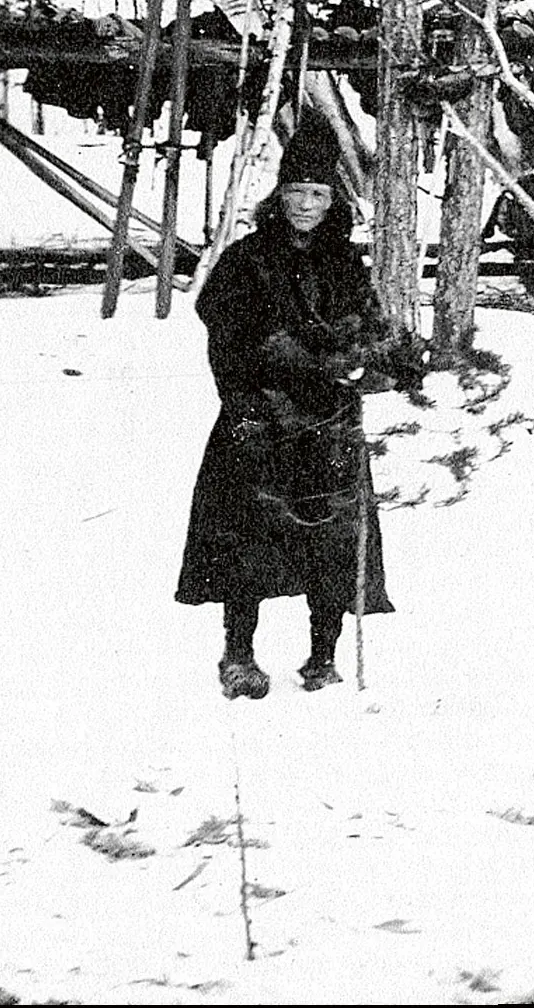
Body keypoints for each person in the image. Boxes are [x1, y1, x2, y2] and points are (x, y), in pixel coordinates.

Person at [175, 114, 407, 698]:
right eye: (297, 192)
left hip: (328, 422)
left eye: (318, 194)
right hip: (261, 415)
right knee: (246, 543)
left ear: (333, 201)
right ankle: (238, 656)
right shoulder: (247, 259)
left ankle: (322, 657)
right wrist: (245, 402)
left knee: (331, 540)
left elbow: (370, 325)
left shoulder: (343, 262)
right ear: (279, 195)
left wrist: (363, 359)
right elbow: (225, 334)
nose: (306, 205)